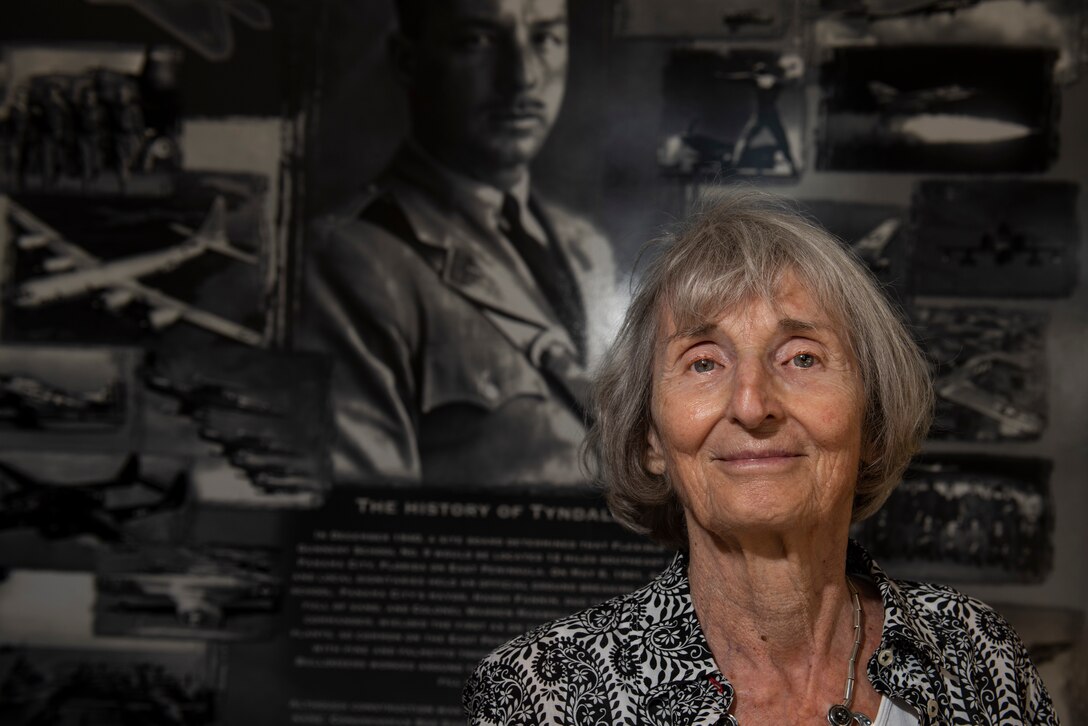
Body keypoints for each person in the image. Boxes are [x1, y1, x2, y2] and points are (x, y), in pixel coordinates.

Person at [463, 192, 1057, 724]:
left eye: (801, 357)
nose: (751, 405)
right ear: (651, 439)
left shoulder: (976, 652)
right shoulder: (541, 695)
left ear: (871, 421)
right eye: (703, 362)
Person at [298, 0, 617, 486]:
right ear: (408, 61)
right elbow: (364, 519)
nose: (523, 77)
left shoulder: (586, 250)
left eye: (545, 38)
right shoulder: (350, 260)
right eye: (478, 41)